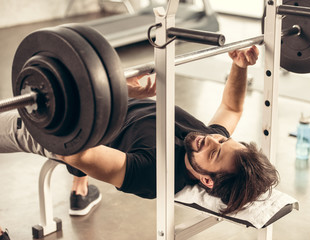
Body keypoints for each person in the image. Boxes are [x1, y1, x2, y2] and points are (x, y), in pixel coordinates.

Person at [0, 46, 278, 227]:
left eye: (216, 151)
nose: (214, 139)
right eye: (225, 140)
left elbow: (77, 153)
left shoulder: (154, 173)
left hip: (58, 128)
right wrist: (240, 66)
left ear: (206, 179)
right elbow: (232, 108)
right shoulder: (208, 143)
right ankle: (80, 190)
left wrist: (110, 93)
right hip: (108, 111)